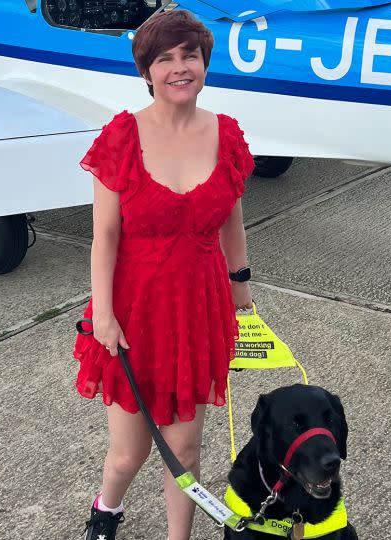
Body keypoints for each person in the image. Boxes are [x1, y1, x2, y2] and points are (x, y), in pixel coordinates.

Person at [71, 9, 256, 540]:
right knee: (129, 453)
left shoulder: (226, 134)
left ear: (204, 63)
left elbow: (231, 219)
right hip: (132, 312)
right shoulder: (122, 135)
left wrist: (239, 286)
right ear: (147, 71)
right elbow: (104, 235)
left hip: (198, 308)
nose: (180, 68)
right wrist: (103, 314)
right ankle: (106, 510)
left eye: (190, 55)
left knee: (186, 449)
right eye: (165, 59)